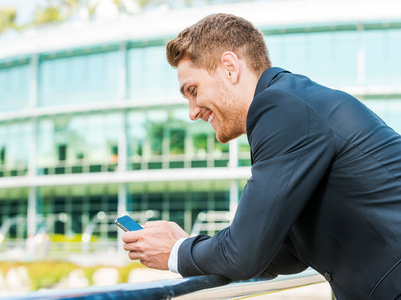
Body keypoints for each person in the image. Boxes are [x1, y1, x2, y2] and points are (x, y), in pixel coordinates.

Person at [122, 13, 401, 299]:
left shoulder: (281, 107)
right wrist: (192, 245)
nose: (192, 112)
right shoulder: (292, 104)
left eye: (193, 91)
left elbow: (243, 253)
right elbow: (285, 253)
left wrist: (176, 252)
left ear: (229, 67)